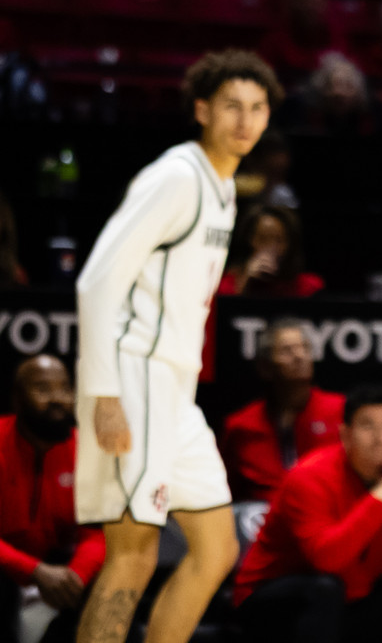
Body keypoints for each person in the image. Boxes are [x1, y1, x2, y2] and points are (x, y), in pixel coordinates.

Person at [73, 50, 278, 643]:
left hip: (176, 397)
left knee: (215, 550)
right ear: (201, 109)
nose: (245, 120)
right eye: (231, 106)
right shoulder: (174, 176)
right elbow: (96, 281)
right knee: (132, 554)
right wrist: (104, 393)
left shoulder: (223, 187)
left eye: (257, 108)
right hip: (133, 379)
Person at [232, 383, 382, 643]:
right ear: (345, 434)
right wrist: (380, 499)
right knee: (324, 589)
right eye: (367, 425)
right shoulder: (310, 476)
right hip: (268, 597)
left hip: (349, 597)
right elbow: (325, 560)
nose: (380, 436)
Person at [0, 357, 102, 643]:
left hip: (62, 570)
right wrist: (34, 572)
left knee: (111, 585)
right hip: (8, 570)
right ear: (17, 399)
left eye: (65, 388)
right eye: (43, 389)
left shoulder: (87, 450)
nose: (58, 398)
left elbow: (96, 532)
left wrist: (76, 576)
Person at [223, 320, 346, 502]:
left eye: (304, 348)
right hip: (258, 520)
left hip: (326, 514)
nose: (299, 356)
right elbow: (227, 492)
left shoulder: (340, 411)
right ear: (265, 366)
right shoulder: (241, 426)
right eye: (287, 350)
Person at [221, 207, 326, 301]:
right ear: (248, 240)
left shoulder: (308, 287)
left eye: (279, 240)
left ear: (291, 244)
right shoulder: (227, 283)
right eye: (262, 238)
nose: (270, 247)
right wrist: (245, 281)